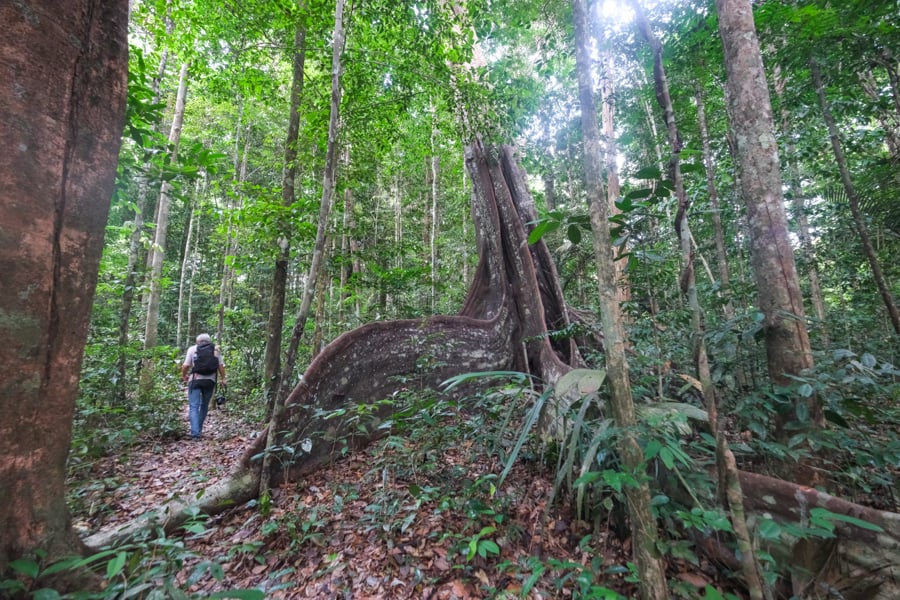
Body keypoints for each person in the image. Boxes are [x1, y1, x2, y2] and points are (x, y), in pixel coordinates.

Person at [181, 333, 226, 440]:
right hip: (210, 381)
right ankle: (198, 430)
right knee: (204, 405)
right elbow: (221, 366)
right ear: (209, 341)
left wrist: (184, 376)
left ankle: (195, 434)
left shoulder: (192, 349)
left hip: (195, 380)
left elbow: (186, 365)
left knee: (194, 406)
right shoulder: (215, 350)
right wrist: (223, 378)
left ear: (198, 341)